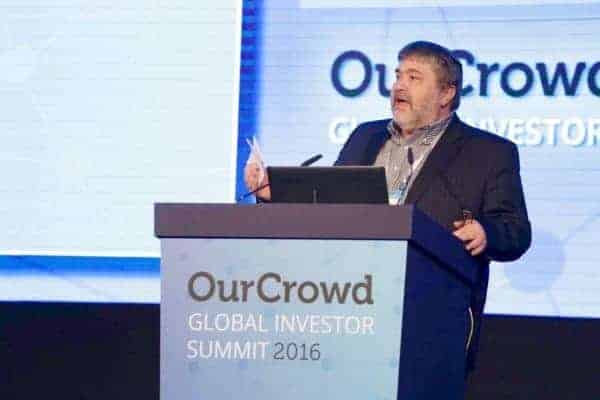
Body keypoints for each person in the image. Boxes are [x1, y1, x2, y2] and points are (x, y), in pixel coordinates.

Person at [245, 40, 531, 372]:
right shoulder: (365, 137)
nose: (399, 86)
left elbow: (515, 230)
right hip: (347, 308)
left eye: (414, 77)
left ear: (446, 93)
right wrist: (274, 194)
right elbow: (328, 205)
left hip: (430, 322)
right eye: (398, 76)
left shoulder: (489, 152)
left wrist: (486, 232)